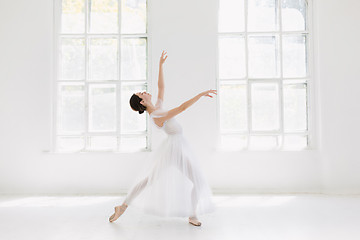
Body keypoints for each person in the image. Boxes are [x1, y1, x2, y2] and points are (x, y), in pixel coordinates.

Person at [109, 50, 217, 226]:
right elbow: (181, 108)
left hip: (176, 146)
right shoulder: (157, 116)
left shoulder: (157, 107)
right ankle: (191, 215)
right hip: (174, 149)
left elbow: (161, 88)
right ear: (142, 102)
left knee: (153, 179)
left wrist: (160, 65)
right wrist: (200, 94)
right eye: (141, 94)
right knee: (158, 180)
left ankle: (123, 207)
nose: (145, 92)